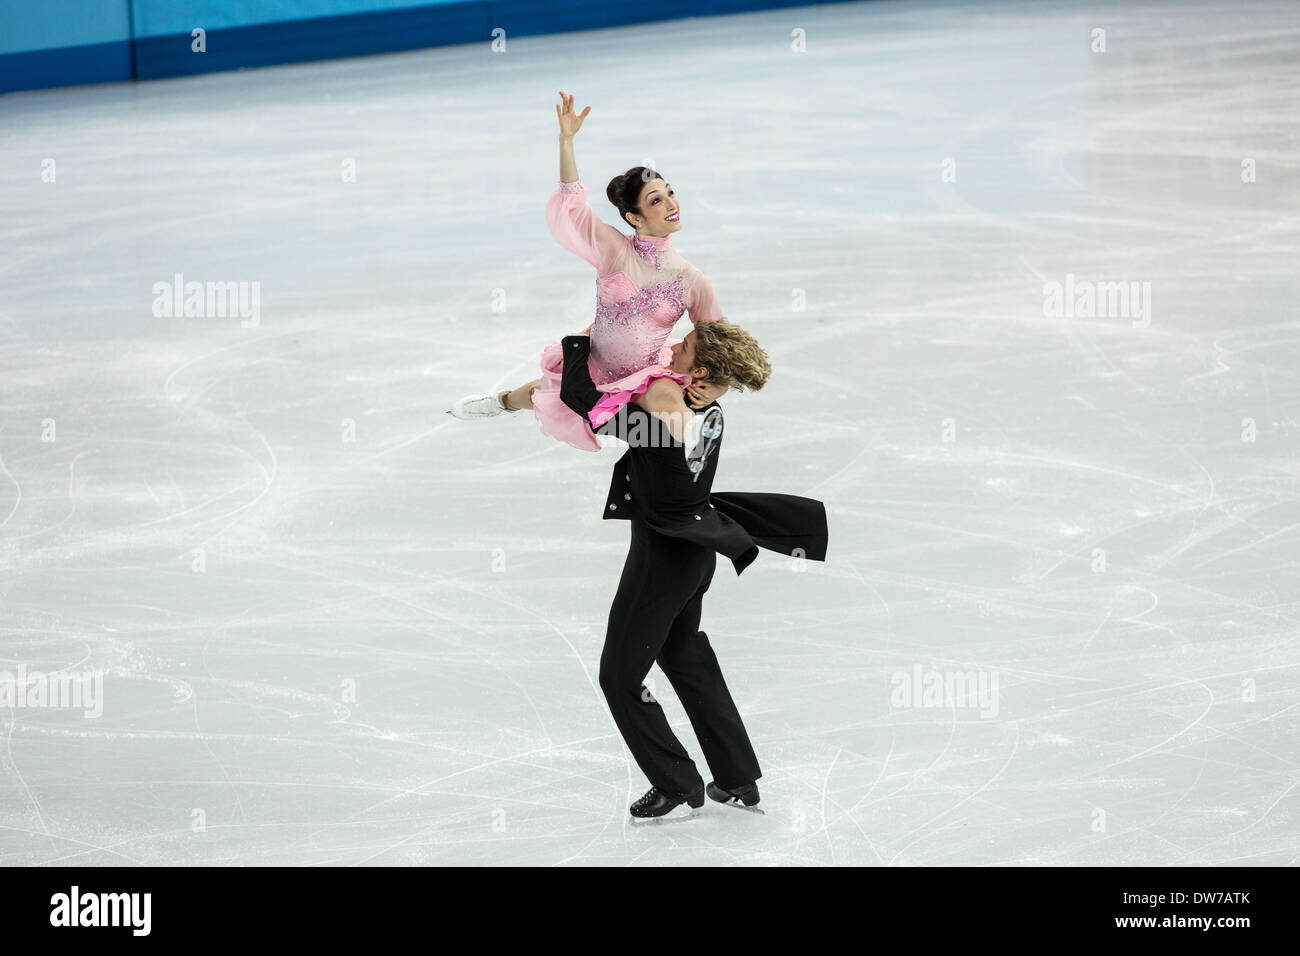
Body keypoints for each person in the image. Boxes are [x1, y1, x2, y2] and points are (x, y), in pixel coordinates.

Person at [557, 325, 829, 819]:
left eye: (681, 348)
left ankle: (676, 781)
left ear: (699, 370)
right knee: (686, 657)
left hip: (661, 564)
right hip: (695, 556)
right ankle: (736, 776)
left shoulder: (657, 419)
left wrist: (579, 341)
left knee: (619, 679)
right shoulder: (712, 411)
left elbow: (581, 398)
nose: (672, 348)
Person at [448, 91, 726, 451]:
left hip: (646, 372)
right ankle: (499, 403)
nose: (672, 204)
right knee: (541, 393)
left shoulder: (691, 279)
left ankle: (689, 450)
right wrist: (566, 141)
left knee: (665, 399)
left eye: (670, 193)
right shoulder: (614, 250)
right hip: (593, 366)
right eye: (657, 200)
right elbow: (575, 208)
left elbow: (724, 343)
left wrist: (716, 386)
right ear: (634, 218)